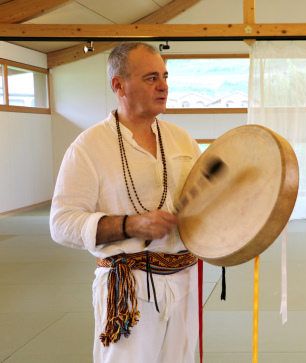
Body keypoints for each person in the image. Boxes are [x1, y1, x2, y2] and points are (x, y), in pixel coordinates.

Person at [50, 42, 201, 362]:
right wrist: (132, 224)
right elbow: (62, 223)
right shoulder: (88, 146)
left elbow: (203, 205)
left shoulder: (182, 139)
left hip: (185, 282)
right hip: (128, 289)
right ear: (118, 84)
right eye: (150, 78)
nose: (163, 86)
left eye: (165, 76)